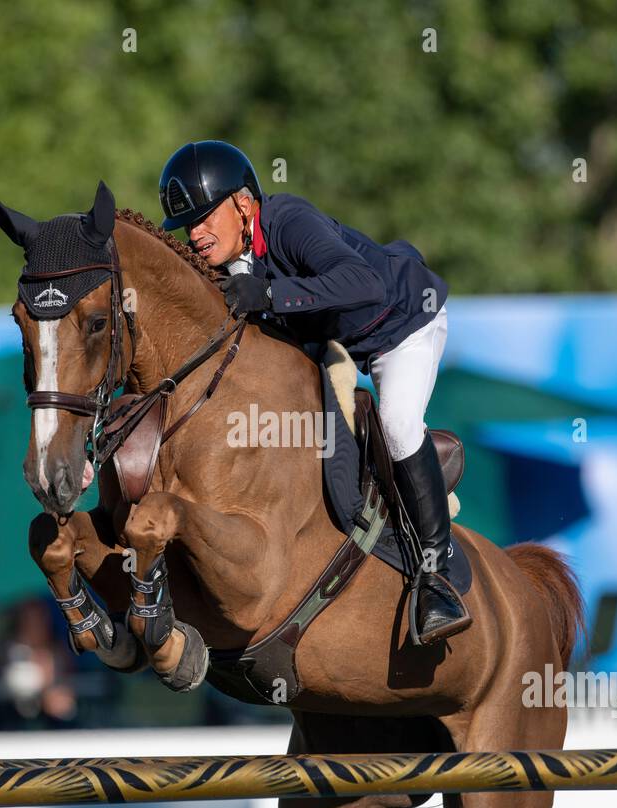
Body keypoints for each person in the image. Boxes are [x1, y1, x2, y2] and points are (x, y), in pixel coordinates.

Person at [158, 141, 471, 643]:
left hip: (404, 325)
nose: (194, 234)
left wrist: (270, 295)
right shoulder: (229, 263)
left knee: (396, 423)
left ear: (243, 204)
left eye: (203, 218)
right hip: (341, 346)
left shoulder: (286, 220)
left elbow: (363, 283)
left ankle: (435, 577)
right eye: (186, 225)